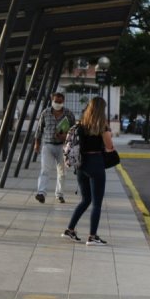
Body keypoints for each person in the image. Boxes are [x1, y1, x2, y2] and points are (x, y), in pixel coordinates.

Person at [63, 97, 115, 246]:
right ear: (102, 110)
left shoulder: (81, 124)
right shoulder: (102, 127)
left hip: (81, 164)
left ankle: (70, 229)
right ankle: (92, 236)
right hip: (96, 163)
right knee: (97, 203)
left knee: (85, 200)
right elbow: (109, 146)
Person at [34, 92, 75, 204]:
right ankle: (41, 193)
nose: (57, 103)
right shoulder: (46, 113)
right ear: (52, 100)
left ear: (63, 102)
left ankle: (59, 194)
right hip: (48, 145)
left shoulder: (69, 114)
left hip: (63, 146)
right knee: (45, 170)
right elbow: (39, 129)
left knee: (62, 172)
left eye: (59, 102)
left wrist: (65, 136)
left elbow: (74, 132)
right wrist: (36, 144)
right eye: (55, 101)